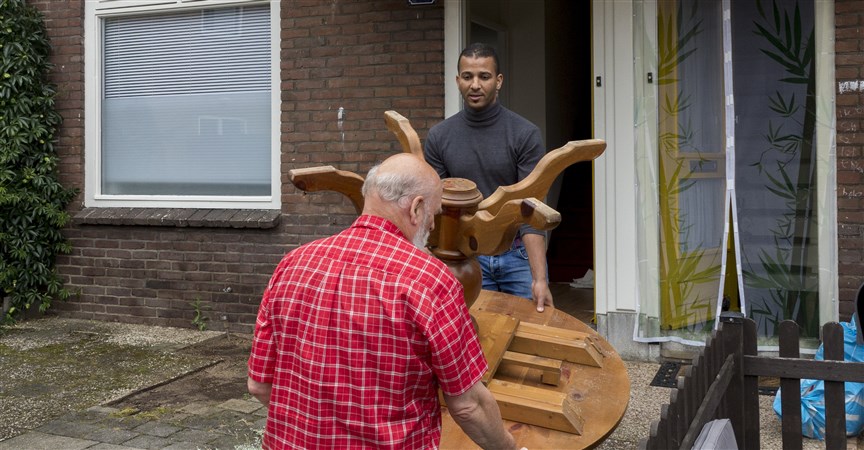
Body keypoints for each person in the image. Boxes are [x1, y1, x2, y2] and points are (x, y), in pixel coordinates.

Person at [247, 153, 517, 450]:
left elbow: (259, 384)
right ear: (416, 208)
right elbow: (469, 406)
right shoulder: (429, 280)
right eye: (434, 215)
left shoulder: (293, 263)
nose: (432, 227)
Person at [424, 42, 553, 313]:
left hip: (516, 256)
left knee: (528, 334)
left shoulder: (524, 134)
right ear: (458, 80)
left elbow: (530, 211)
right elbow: (436, 209)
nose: (475, 85)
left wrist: (539, 278)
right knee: (471, 337)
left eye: (484, 76)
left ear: (498, 81)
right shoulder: (439, 137)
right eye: (468, 76)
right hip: (466, 257)